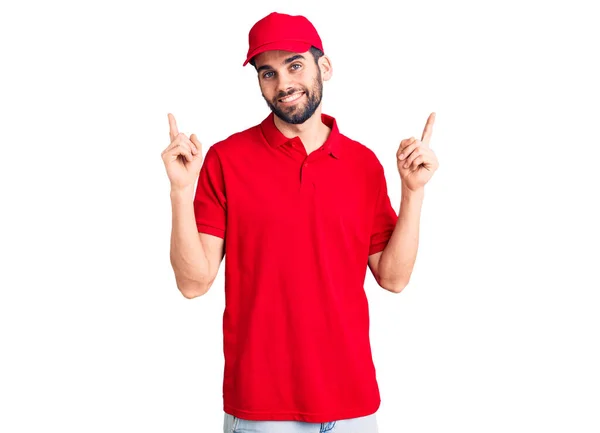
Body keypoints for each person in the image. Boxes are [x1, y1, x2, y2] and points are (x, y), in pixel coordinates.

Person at [161, 11, 439, 433]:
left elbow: (393, 277)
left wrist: (413, 193)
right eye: (267, 73)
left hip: (353, 405)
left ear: (323, 67)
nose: (283, 84)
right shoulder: (226, 159)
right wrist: (181, 191)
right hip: (261, 407)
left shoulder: (362, 164)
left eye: (294, 65)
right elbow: (193, 282)